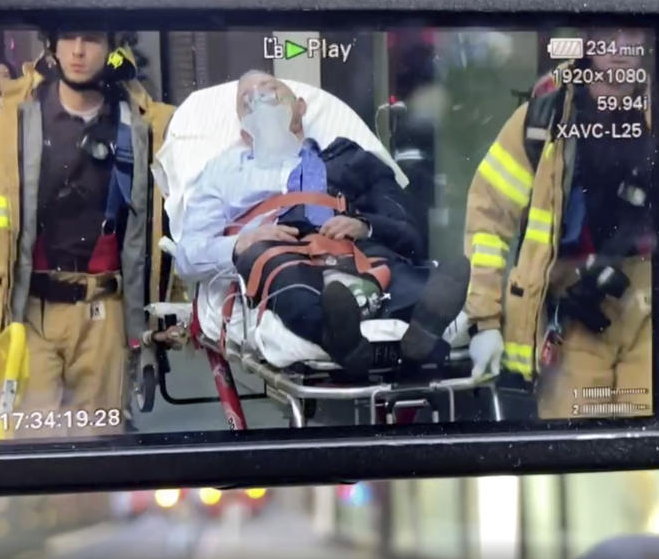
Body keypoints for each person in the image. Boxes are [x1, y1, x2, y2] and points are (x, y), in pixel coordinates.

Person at [0, 29, 174, 436]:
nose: (77, 51)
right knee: (28, 445)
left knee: (100, 444)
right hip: (28, 313)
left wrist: (173, 309)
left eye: (91, 39)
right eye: (67, 37)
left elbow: (174, 222)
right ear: (51, 45)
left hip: (106, 313)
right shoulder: (5, 122)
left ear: (111, 48)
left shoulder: (148, 125)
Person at [175, 70, 466, 374]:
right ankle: (339, 336)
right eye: (246, 100)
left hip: (359, 250)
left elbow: (408, 228)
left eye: (269, 89)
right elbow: (188, 256)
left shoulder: (353, 159)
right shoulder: (224, 172)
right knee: (287, 278)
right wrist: (241, 242)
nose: (258, 99)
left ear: (300, 107)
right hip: (281, 252)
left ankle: (423, 328)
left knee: (396, 271)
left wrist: (365, 225)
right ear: (244, 131)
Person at [463, 27, 655, 419]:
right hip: (573, 312)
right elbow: (488, 219)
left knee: (648, 455)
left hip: (653, 313)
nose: (619, 46)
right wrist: (485, 321)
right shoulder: (543, 118)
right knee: (575, 453)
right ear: (587, 40)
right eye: (608, 32)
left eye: (632, 32)